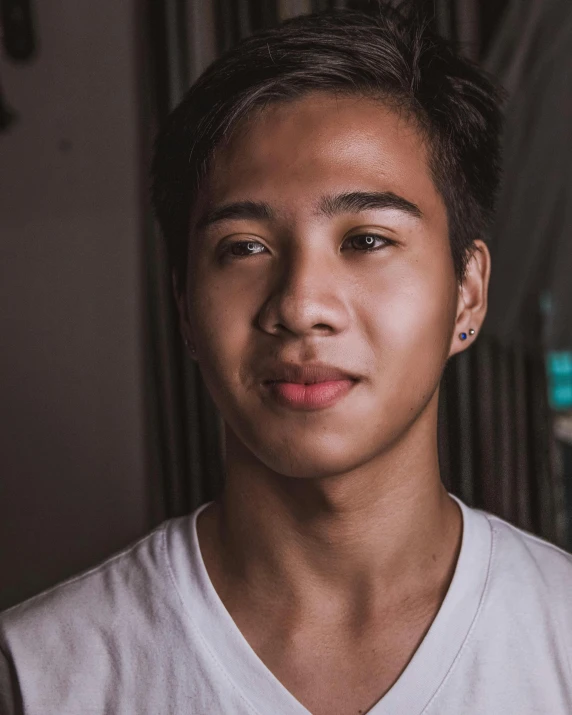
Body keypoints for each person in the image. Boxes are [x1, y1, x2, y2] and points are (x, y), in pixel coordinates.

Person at [1, 3, 571, 714]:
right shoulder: (41, 673)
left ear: (468, 293)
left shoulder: (560, 640)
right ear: (184, 305)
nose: (301, 305)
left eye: (366, 240)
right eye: (244, 247)